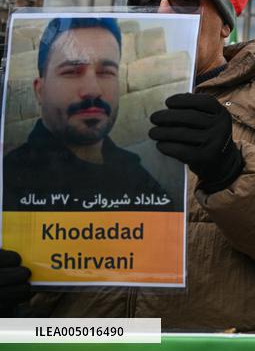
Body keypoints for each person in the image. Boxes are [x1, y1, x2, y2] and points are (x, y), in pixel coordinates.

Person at [1, 0, 255, 330]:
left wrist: (230, 168)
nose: (163, 12)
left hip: (214, 347)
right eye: (146, 2)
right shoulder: (90, 117)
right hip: (92, 341)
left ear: (225, 23)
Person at [3, 18, 177, 212]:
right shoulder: (8, 182)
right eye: (72, 72)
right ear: (40, 90)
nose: (93, 90)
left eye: (106, 72)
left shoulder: (139, 178)